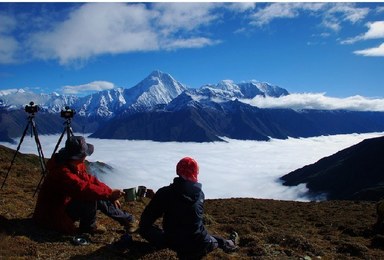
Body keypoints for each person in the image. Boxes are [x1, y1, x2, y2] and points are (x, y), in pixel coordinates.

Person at [139, 157, 239, 259]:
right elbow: (183, 205)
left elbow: (145, 220)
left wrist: (156, 199)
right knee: (205, 235)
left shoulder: (165, 193)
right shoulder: (200, 194)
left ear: (178, 170)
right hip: (200, 245)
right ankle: (230, 243)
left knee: (144, 228)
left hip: (173, 245)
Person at [33, 136, 136, 235]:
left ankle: (128, 220)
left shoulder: (73, 163)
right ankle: (89, 227)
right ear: (78, 156)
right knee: (91, 196)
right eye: (84, 154)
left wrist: (109, 192)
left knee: (97, 193)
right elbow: (83, 189)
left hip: (62, 208)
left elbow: (89, 180)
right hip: (52, 217)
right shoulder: (61, 172)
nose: (86, 156)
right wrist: (109, 194)